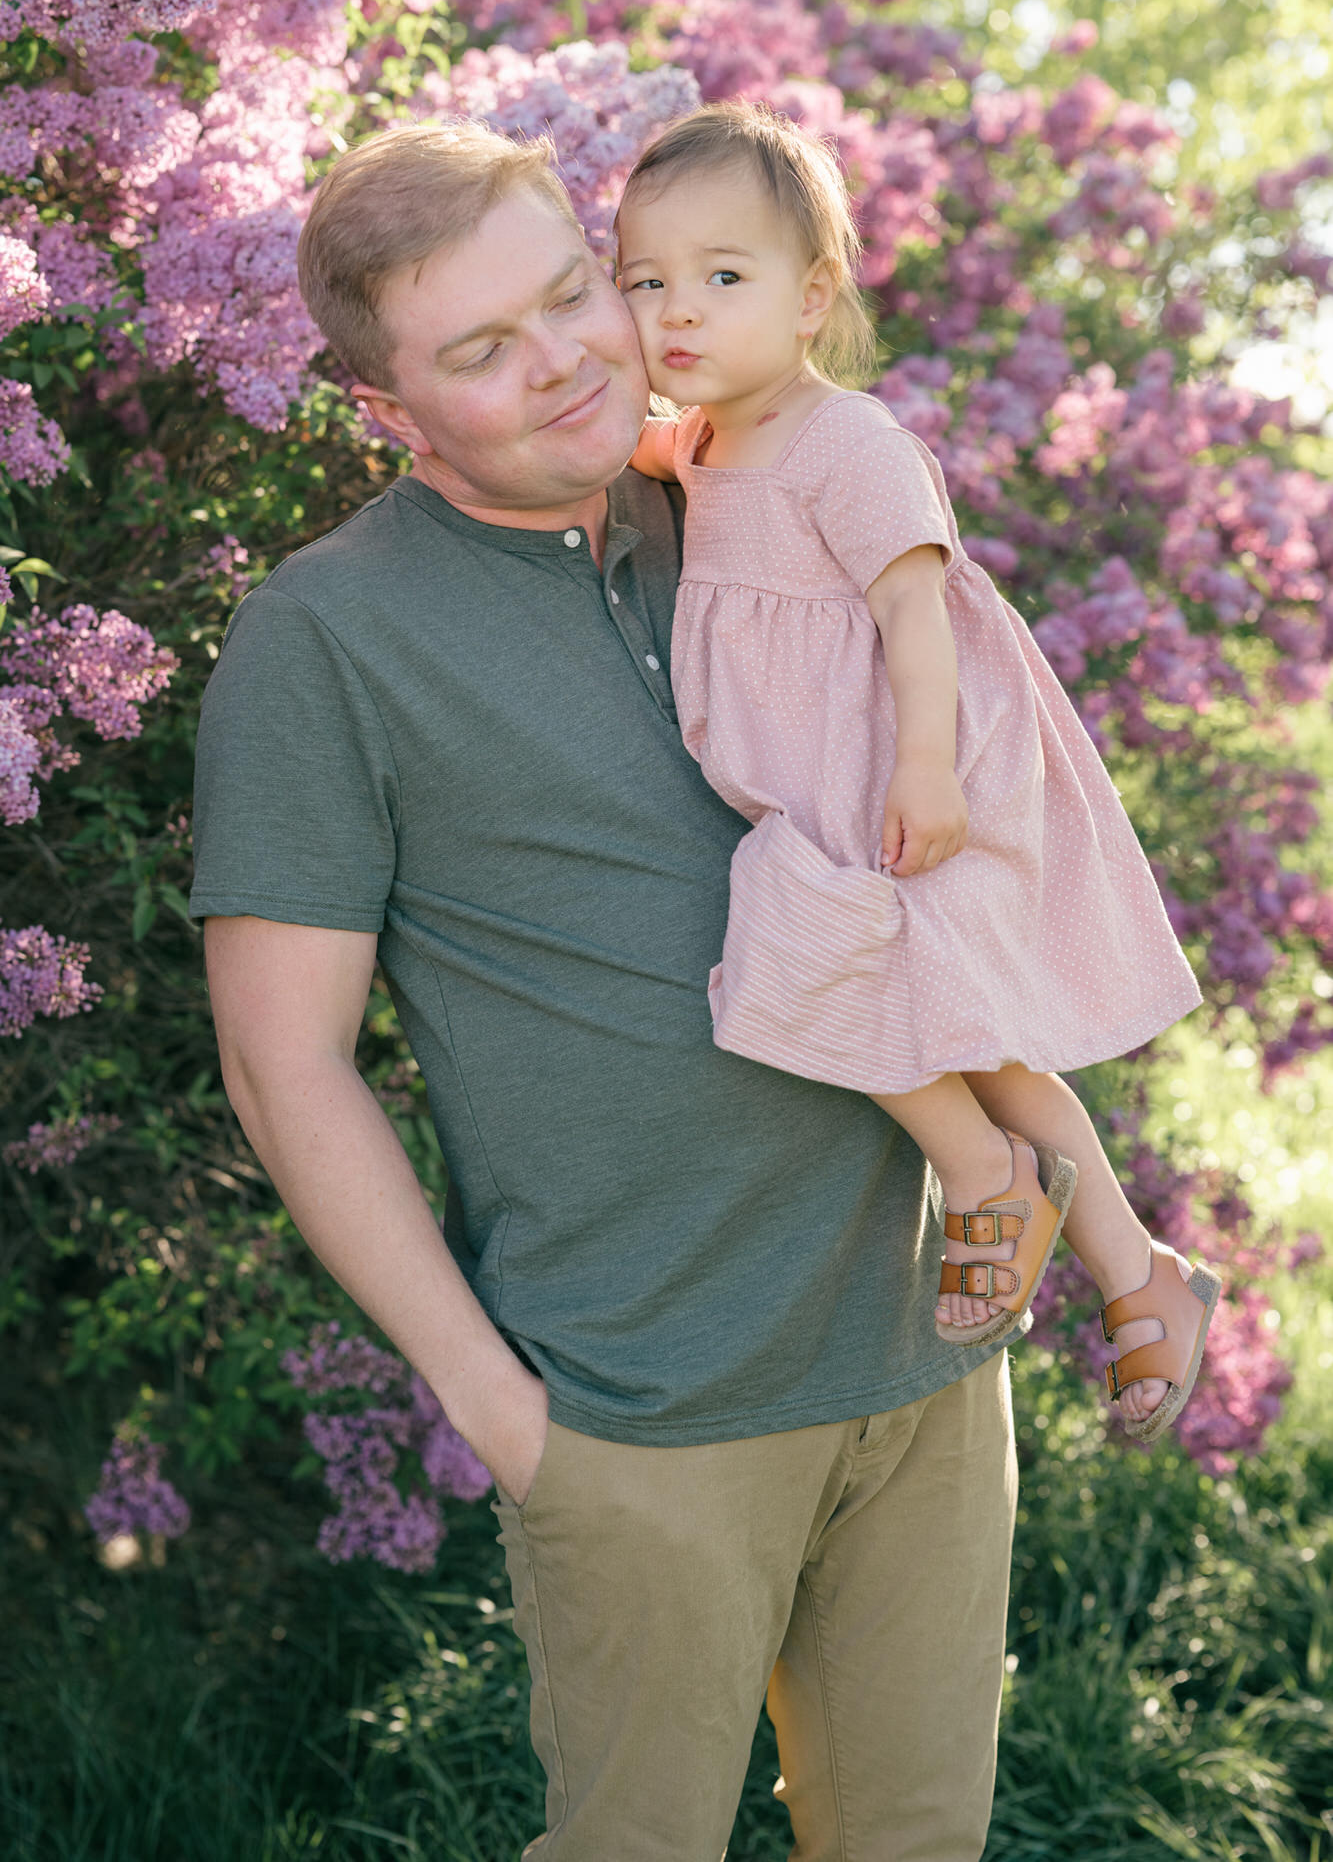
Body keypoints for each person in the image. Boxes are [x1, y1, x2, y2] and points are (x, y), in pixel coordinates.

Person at [191, 120, 1020, 1861]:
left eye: (570, 292)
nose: (562, 355)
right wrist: (504, 1412)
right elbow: (286, 1069)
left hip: (920, 1362)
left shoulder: (756, 498)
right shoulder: (326, 636)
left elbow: (928, 890)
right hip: (634, 1413)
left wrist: (1062, 1190)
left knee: (918, 1843)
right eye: (480, 350)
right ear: (386, 402)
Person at [618, 99, 1221, 1442]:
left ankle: (987, 1177)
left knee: (841, 967)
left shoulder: (849, 445)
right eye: (644, 281)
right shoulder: (703, 444)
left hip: (903, 775)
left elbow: (913, 616)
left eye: (724, 278)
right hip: (818, 793)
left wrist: (932, 771)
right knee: (948, 1027)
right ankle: (1140, 1274)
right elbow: (645, 458)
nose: (679, 312)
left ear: (813, 292)